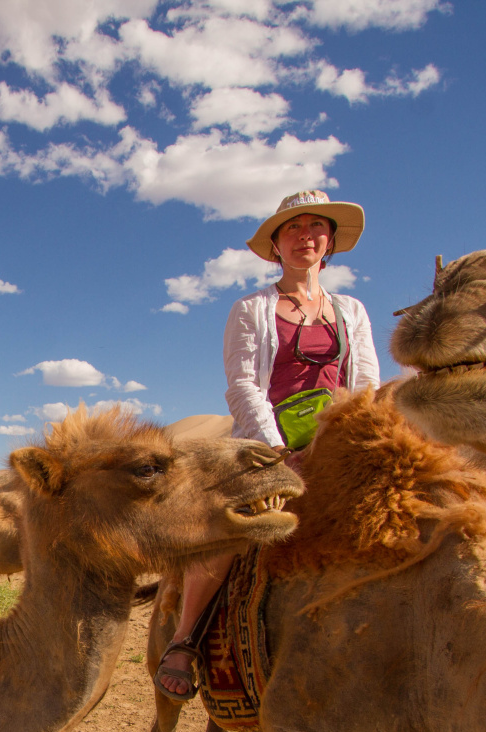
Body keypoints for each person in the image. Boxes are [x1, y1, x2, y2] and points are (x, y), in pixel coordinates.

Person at [155, 189, 381, 700]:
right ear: (276, 244)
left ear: (330, 243)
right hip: (268, 445)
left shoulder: (352, 310)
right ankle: (184, 639)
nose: (307, 236)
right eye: (294, 228)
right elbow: (243, 385)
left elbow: (365, 379)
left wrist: (350, 438)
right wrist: (275, 449)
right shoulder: (252, 308)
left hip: (340, 442)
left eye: (316, 228)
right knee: (227, 527)